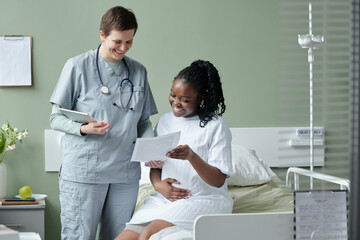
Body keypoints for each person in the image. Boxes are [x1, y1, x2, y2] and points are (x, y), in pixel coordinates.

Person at [49, 6, 159, 240]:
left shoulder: (138, 71)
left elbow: (143, 121)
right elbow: (55, 117)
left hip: (124, 173)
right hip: (85, 171)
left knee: (118, 236)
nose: (123, 48)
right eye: (117, 41)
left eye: (129, 42)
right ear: (102, 35)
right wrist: (82, 128)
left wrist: (151, 147)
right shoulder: (77, 67)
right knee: (80, 236)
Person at [115, 60, 233, 240]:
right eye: (172, 95)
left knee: (148, 234)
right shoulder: (165, 121)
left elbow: (218, 180)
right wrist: (158, 185)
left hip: (202, 200)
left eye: (185, 100)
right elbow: (157, 165)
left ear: (201, 97)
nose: (176, 103)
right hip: (164, 199)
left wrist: (191, 156)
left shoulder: (215, 126)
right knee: (124, 237)